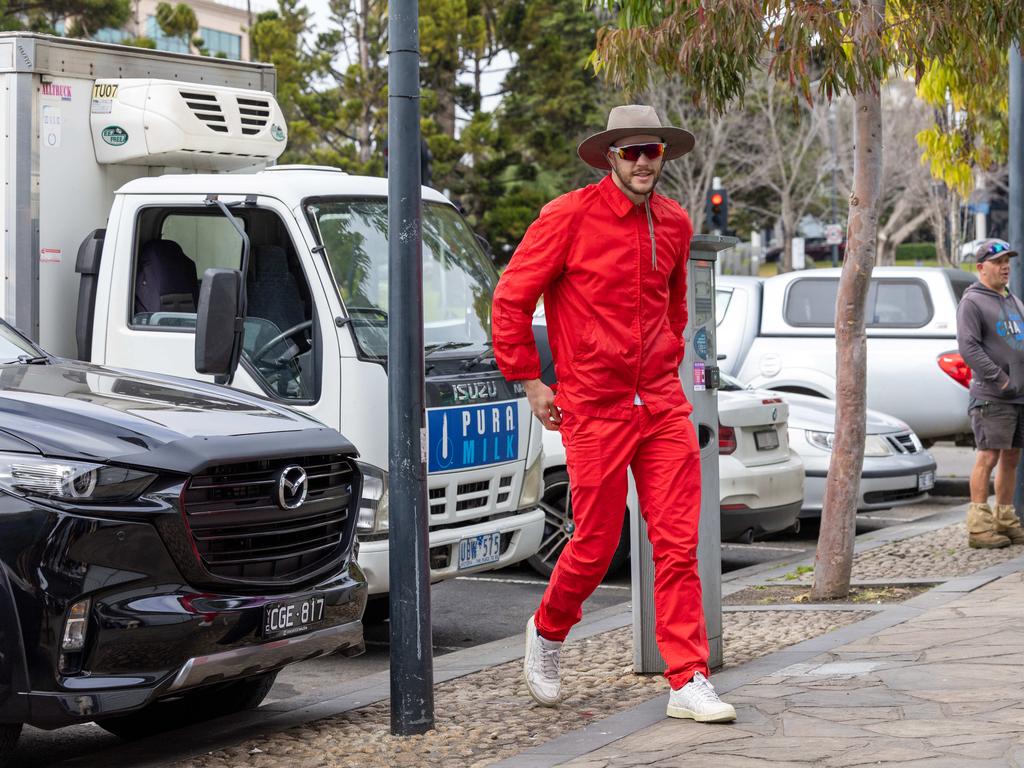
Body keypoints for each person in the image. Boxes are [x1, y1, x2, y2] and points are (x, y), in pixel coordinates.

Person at [491, 104, 735, 723]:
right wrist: (529, 381)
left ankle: (688, 677)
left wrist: (666, 360)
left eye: (651, 150)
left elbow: (675, 307)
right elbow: (512, 300)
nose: (644, 162)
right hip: (594, 409)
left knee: (678, 545)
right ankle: (547, 632)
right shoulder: (566, 217)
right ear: (609, 158)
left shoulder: (675, 224)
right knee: (596, 545)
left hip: (660, 405)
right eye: (630, 152)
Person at [956, 238, 1024, 549]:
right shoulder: (972, 302)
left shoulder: (1013, 300)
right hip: (992, 395)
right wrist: (1000, 380)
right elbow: (969, 347)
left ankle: (1005, 521)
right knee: (988, 457)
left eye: (1007, 260)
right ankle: (979, 528)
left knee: (1011, 457)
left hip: (1018, 397)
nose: (1005, 266)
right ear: (981, 267)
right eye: (998, 262)